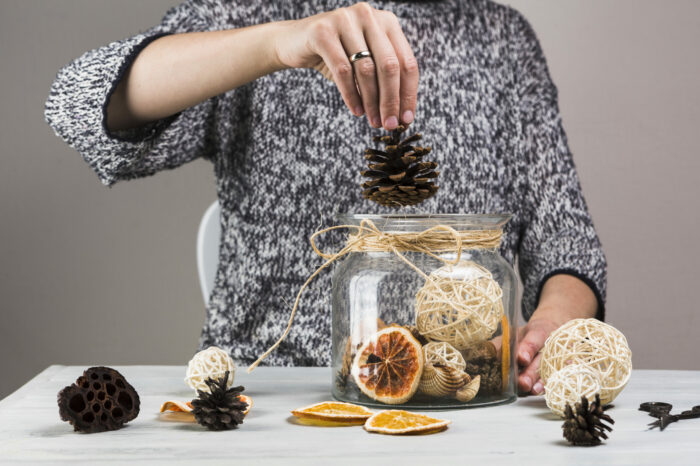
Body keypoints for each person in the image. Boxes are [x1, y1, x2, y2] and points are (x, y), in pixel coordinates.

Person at [45, 0, 606, 396]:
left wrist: (553, 321)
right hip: (274, 396)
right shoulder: (244, 12)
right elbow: (80, 107)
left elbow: (566, 240)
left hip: (462, 388)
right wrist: (274, 41)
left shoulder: (503, 39)